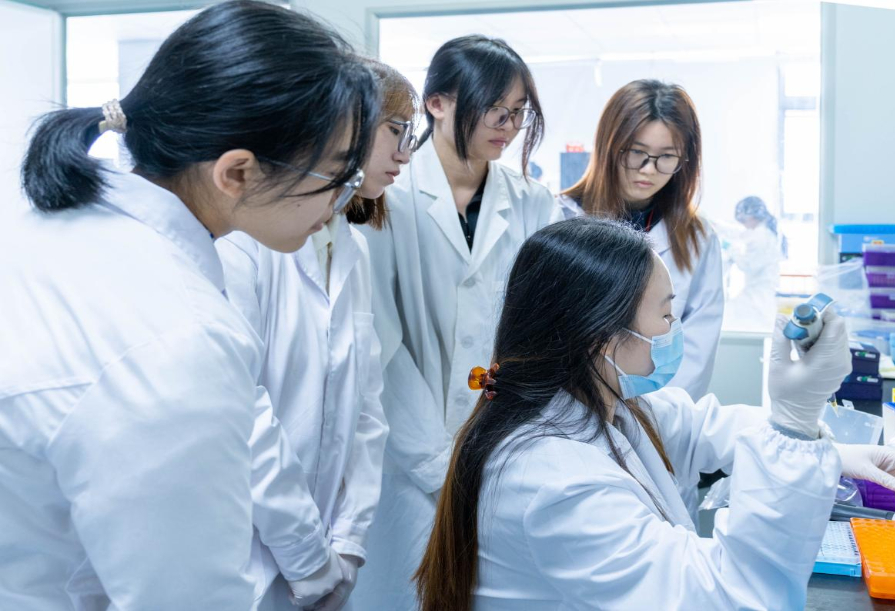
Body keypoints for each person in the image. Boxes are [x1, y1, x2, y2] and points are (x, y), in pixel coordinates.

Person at [0, 2, 378, 609]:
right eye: (336, 174)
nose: (341, 200)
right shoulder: (179, 337)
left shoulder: (48, 232)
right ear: (237, 172)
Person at [415, 217, 895, 611]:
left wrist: (828, 449)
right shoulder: (552, 484)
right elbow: (731, 597)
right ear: (601, 337)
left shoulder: (598, 404)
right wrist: (793, 421)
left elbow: (701, 427)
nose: (674, 328)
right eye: (664, 314)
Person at [352, 35, 561, 611]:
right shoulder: (383, 196)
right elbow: (381, 344)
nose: (508, 126)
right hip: (401, 450)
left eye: (518, 112)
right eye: (495, 109)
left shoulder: (533, 202)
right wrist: (432, 459)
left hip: (500, 442)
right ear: (438, 103)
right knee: (401, 590)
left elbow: (537, 328)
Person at [216, 60, 418, 610]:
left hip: (327, 555)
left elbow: (367, 410)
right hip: (247, 554)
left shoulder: (352, 248)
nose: (404, 154)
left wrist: (348, 543)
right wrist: (306, 555)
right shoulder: (246, 243)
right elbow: (244, 410)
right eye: (395, 131)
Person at [561, 80, 723, 403]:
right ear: (609, 146)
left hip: (659, 412)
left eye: (667, 156)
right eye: (636, 152)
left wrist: (649, 416)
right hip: (570, 406)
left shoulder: (698, 238)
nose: (648, 169)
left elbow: (697, 347)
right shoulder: (560, 218)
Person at [725, 195, 785, 331]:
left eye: (743, 220)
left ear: (752, 216)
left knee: (733, 320)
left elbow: (748, 265)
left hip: (757, 297)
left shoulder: (761, 236)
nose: (743, 224)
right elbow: (737, 233)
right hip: (760, 295)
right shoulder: (764, 233)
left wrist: (731, 249)